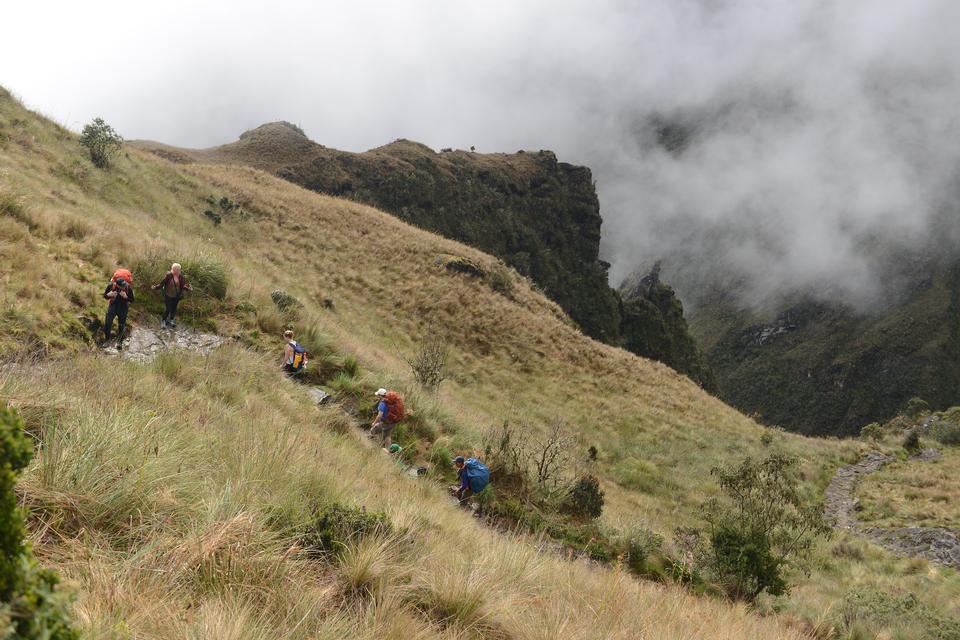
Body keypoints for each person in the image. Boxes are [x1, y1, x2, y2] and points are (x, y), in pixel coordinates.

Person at [151, 262, 192, 328]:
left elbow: (182, 285)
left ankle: (171, 320)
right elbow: (162, 283)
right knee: (168, 309)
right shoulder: (169, 276)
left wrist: (188, 289)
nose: (180, 271)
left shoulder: (180, 276)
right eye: (178, 269)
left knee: (174, 308)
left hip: (177, 295)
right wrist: (155, 287)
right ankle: (163, 321)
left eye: (179, 269)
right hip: (168, 295)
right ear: (174, 270)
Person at [102, 276, 134, 347]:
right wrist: (108, 295)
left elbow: (132, 300)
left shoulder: (128, 288)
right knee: (108, 323)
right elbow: (105, 296)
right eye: (122, 286)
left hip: (123, 308)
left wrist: (126, 297)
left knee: (121, 325)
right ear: (117, 285)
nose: (124, 287)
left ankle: (119, 342)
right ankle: (107, 340)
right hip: (113, 306)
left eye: (124, 285)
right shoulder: (111, 286)